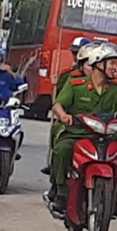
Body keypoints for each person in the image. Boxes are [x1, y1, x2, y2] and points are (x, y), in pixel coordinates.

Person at [48, 43, 117, 219]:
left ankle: (115, 198)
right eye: (112, 63)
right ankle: (60, 193)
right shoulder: (76, 85)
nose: (115, 68)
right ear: (99, 64)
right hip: (77, 134)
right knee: (62, 149)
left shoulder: (116, 90)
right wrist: (63, 115)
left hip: (106, 137)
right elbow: (59, 104)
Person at [41, 36, 92, 175]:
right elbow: (58, 100)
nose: (75, 56)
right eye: (74, 53)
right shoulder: (67, 76)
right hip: (72, 119)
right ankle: (56, 169)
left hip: (96, 122)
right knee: (57, 131)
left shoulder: (104, 79)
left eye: (78, 52)